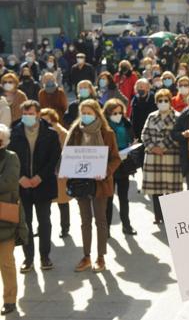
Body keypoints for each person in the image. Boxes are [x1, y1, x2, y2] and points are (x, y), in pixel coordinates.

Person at [65, 99, 121, 272]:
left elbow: (116, 158)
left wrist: (105, 171)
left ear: (97, 114)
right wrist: (67, 169)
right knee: (85, 221)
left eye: (89, 113)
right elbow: (67, 154)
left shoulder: (107, 133)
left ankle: (101, 257)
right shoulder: (75, 132)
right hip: (80, 182)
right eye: (83, 113)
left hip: (100, 183)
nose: (86, 116)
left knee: (101, 220)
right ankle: (86, 256)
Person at [8, 100, 61, 273]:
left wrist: (39, 177)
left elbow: (54, 158)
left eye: (31, 113)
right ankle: (28, 258)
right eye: (25, 113)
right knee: (25, 222)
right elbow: (9, 158)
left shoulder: (51, 134)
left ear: (38, 114)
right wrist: (20, 177)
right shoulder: (13, 133)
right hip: (22, 186)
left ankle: (45, 257)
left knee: (44, 221)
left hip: (43, 184)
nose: (27, 116)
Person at [141, 89, 182, 224]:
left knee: (171, 189)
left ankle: (171, 216)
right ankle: (158, 216)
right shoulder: (151, 116)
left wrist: (162, 147)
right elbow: (144, 134)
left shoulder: (177, 116)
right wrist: (153, 147)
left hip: (170, 155)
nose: (163, 103)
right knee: (156, 189)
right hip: (153, 156)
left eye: (166, 100)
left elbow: (177, 136)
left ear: (170, 101)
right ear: (156, 102)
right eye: (160, 100)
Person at [0, 124, 28, 315]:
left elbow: (8, 183)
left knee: (6, 262)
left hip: (4, 216)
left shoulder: (11, 157)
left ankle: (10, 300)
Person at [103, 99, 137, 235]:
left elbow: (131, 137)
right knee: (109, 198)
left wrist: (131, 146)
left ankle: (126, 225)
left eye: (119, 112)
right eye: (114, 112)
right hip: (110, 164)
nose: (117, 115)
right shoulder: (103, 127)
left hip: (124, 164)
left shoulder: (126, 123)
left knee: (124, 197)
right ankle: (106, 228)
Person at [40, 108, 71, 238]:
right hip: (44, 172)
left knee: (62, 202)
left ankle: (65, 227)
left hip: (59, 172)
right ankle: (42, 227)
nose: (44, 122)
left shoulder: (62, 133)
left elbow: (67, 153)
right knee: (43, 203)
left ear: (53, 120)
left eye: (47, 120)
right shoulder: (40, 131)